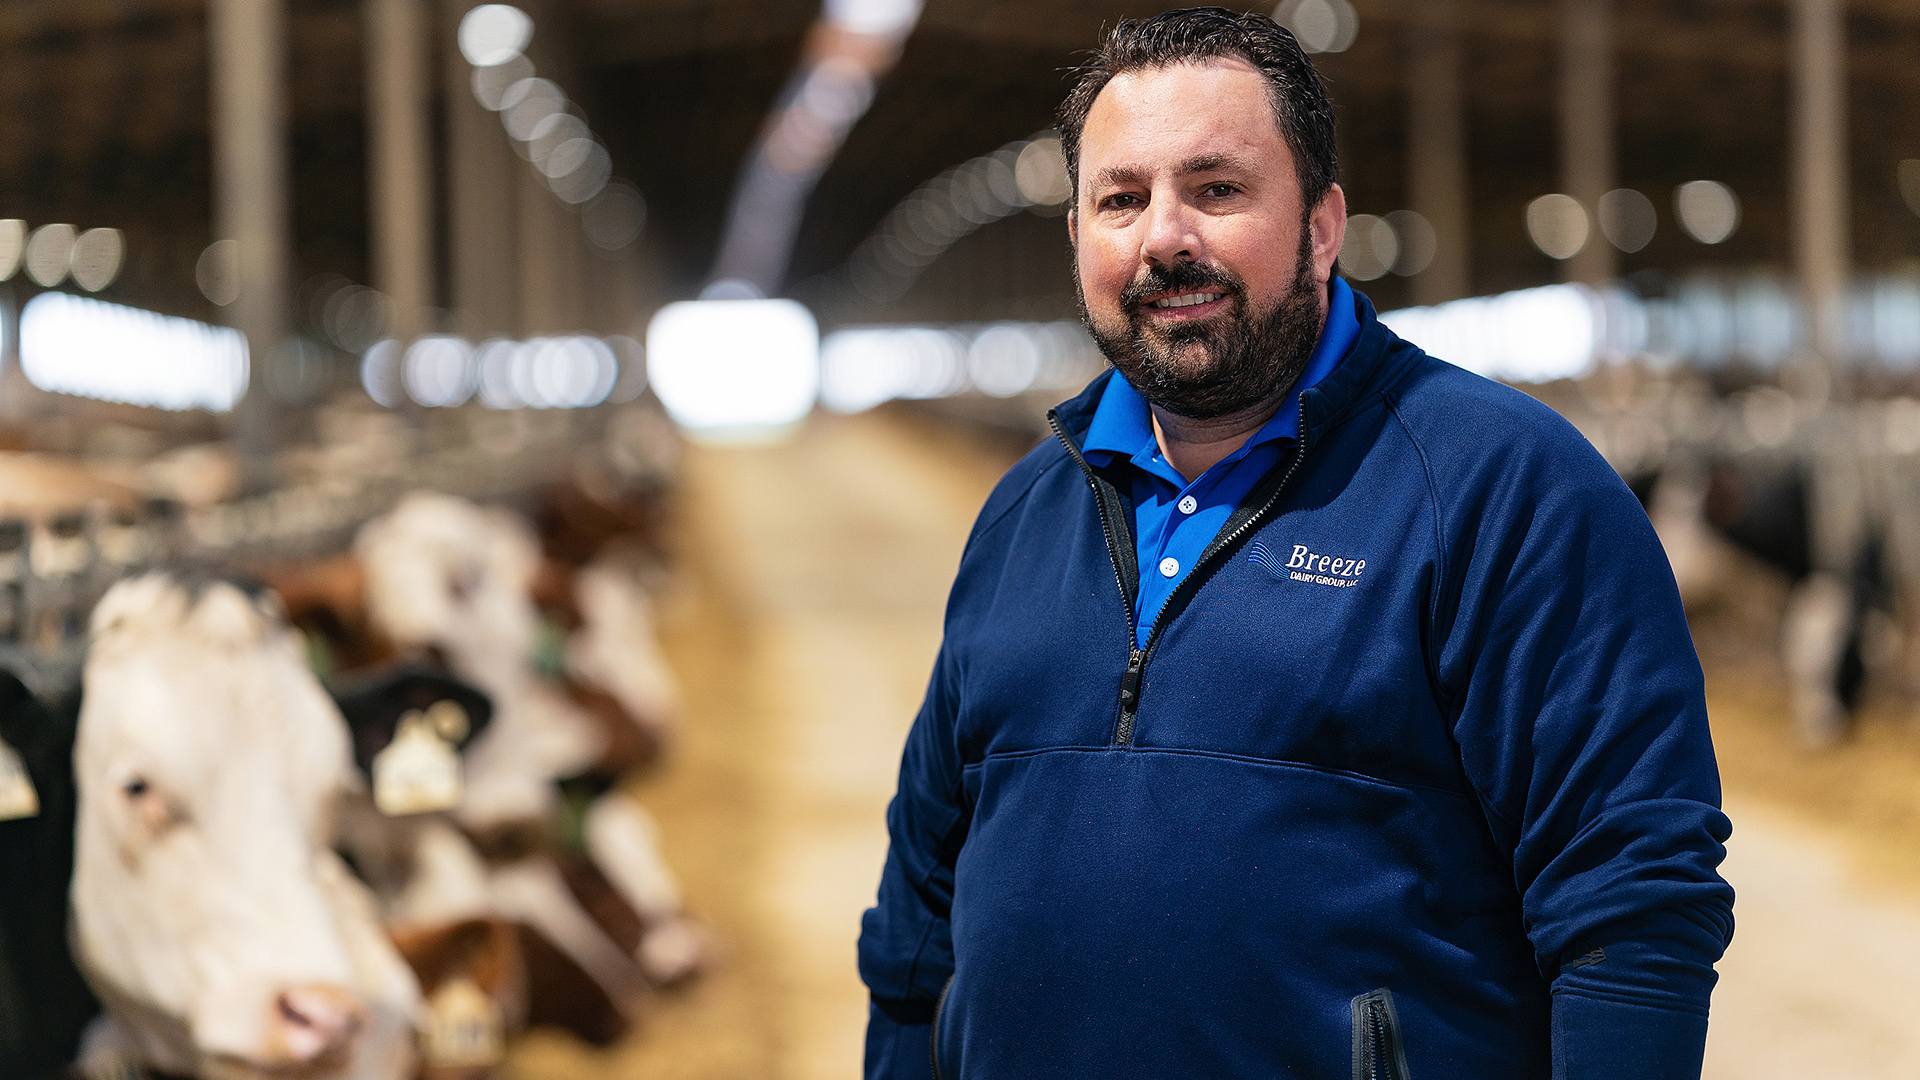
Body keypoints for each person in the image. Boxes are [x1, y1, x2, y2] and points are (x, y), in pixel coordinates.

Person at [857, 8, 1734, 1079]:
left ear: (1323, 225)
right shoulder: (1024, 511)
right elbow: (920, 901)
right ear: (1079, 237)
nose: (1163, 236)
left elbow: (1632, 909)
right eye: (1120, 199)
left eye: (1217, 189)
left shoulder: (1504, 487)